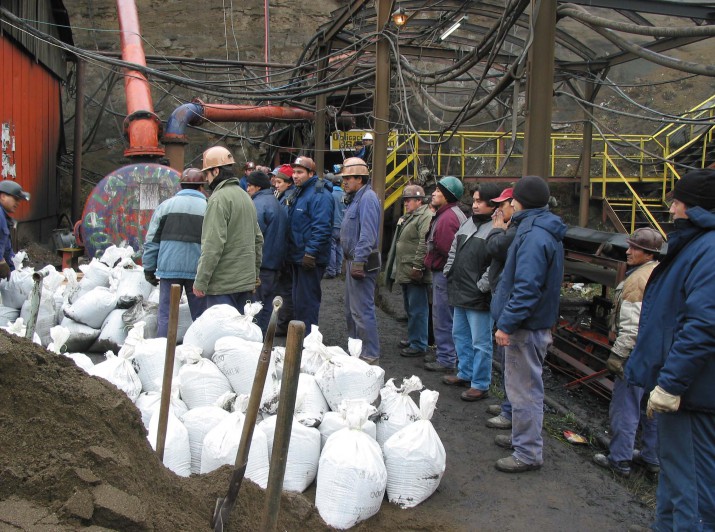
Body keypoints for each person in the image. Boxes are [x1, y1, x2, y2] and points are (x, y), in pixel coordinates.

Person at [626, 168, 715, 530]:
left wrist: (671, 384)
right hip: (685, 390)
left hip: (693, 396)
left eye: (676, 200)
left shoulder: (707, 250)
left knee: (692, 492)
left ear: (692, 207)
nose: (672, 207)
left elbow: (703, 325)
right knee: (675, 485)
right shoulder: (695, 245)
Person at [491, 175, 566, 473]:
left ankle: (527, 452)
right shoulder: (540, 229)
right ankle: (521, 439)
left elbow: (526, 288)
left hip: (525, 326)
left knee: (524, 389)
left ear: (518, 201)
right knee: (521, 386)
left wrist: (507, 323)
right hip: (531, 323)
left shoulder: (534, 235)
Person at [592, 227, 663, 478]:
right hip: (657, 353)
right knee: (650, 408)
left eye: (635, 248)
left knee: (626, 406)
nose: (628, 251)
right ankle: (651, 457)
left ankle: (619, 458)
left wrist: (618, 355)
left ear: (649, 253)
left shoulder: (636, 281)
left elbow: (632, 327)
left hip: (636, 354)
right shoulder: (660, 273)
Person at [442, 183, 501, 400]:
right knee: (460, 335)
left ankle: (480, 383)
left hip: (478, 294)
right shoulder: (468, 223)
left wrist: (483, 285)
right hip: (460, 289)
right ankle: (465, 372)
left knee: (480, 342)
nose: (475, 205)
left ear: (493, 203)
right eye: (474, 200)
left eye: (479, 201)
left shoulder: (497, 228)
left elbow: (496, 261)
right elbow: (453, 250)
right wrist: (449, 271)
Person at [193, 146, 263, 311]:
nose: (205, 179)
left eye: (206, 173)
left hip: (223, 286)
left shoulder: (217, 199)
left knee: (222, 334)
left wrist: (201, 281)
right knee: (239, 334)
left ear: (215, 171)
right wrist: (254, 275)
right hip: (245, 283)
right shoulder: (246, 197)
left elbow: (212, 245)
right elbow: (258, 239)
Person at [142, 168, 208, 336]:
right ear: (201, 187)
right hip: (197, 270)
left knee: (166, 314)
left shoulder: (165, 206)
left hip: (169, 268)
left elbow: (152, 240)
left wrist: (149, 268)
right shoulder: (208, 207)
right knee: (200, 318)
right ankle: (199, 352)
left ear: (181, 186)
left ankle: (162, 351)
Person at [421, 176, 467, 371]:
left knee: (443, 317)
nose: (434, 193)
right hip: (447, 274)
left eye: (438, 191)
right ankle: (448, 356)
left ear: (447, 195)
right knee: (447, 316)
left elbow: (448, 250)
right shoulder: (451, 214)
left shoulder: (448, 218)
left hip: (444, 275)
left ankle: (446, 358)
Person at [339, 157, 381, 364]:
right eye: (344, 178)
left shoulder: (368, 199)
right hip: (353, 261)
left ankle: (370, 353)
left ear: (360, 178)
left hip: (362, 263)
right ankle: (357, 350)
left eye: (348, 178)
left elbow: (368, 234)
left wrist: (358, 261)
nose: (344, 182)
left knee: (362, 310)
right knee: (351, 310)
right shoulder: (356, 198)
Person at [285, 155, 334, 329]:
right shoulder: (301, 192)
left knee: (307, 303)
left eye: (300, 172)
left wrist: (310, 253)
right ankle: (300, 342)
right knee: (299, 301)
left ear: (311, 173)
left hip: (309, 259)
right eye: (294, 172)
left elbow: (321, 227)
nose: (295, 176)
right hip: (298, 256)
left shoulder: (319, 195)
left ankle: (308, 342)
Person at [385, 185, 433, 360]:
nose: (405, 204)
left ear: (419, 201)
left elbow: (424, 243)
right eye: (404, 200)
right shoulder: (412, 216)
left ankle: (419, 344)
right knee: (410, 308)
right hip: (407, 270)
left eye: (408, 200)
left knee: (418, 309)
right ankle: (414, 339)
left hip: (414, 271)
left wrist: (417, 267)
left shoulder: (425, 217)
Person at [484, 187, 517, 429]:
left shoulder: (513, 231)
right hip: (502, 301)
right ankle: (508, 405)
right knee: (507, 364)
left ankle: (511, 413)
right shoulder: (512, 228)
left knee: (514, 367)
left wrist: (496, 230)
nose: (498, 210)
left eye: (502, 205)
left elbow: (495, 247)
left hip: (510, 307)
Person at [246, 170, 288, 334]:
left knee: (255, 307)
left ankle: (255, 342)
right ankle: (263, 340)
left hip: (261, 264)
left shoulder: (257, 205)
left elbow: (252, 237)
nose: (247, 189)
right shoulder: (277, 202)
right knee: (267, 306)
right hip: (275, 262)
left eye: (249, 185)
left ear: (257, 187)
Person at [272, 163, 297, 335]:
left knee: (285, 288)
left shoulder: (287, 198)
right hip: (286, 249)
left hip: (287, 251)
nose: (276, 184)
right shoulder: (283, 196)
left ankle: (284, 322)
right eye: (276, 181)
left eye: (280, 181)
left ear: (288, 183)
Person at [0, 180, 30, 280]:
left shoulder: (3, 217)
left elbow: (6, 248)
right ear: (3, 196)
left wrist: (15, 267)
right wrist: (1, 261)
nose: (18, 203)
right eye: (15, 199)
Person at [325, 172, 346, 279]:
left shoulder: (330, 195)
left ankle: (331, 271)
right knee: (339, 248)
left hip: (333, 225)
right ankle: (338, 269)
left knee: (332, 248)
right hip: (343, 225)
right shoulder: (345, 195)